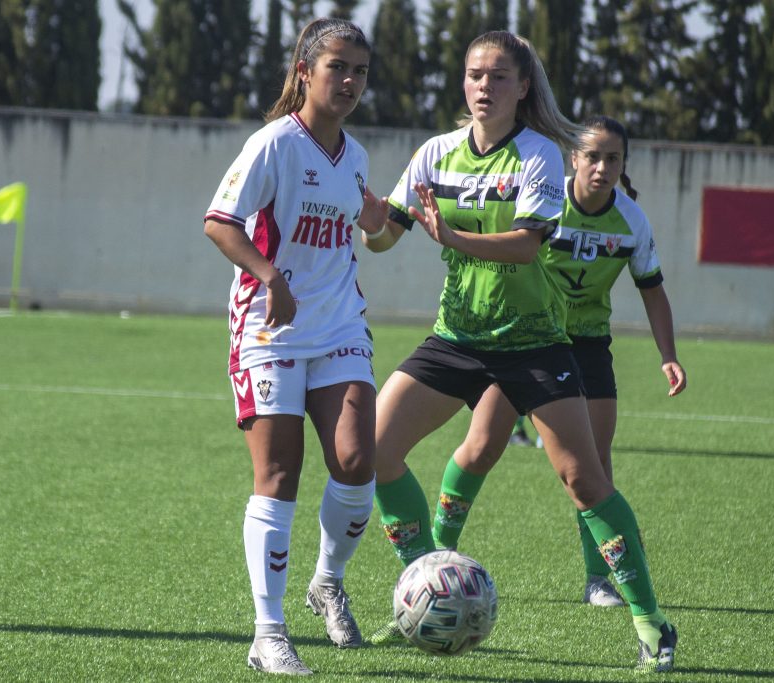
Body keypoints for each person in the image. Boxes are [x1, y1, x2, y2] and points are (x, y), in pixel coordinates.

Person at [359, 31, 678, 673]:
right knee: (372, 450)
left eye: (499, 77)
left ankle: (652, 624)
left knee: (584, 481)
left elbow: (529, 246)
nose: (484, 86)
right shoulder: (435, 153)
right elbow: (383, 238)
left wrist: (449, 234)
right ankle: (425, 590)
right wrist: (345, 187)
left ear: (523, 87)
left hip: (533, 345)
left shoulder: (537, 155)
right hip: (456, 337)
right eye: (475, 75)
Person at [428, 115, 687, 614]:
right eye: (593, 156)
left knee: (594, 467)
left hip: (587, 347)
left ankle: (598, 580)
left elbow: (653, 292)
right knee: (481, 447)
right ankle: (436, 555)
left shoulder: (631, 220)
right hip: (529, 339)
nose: (602, 167)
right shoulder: (547, 201)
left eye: (613, 158)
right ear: (574, 159)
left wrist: (668, 356)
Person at [202, 17, 389, 676]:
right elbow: (218, 223)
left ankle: (327, 581)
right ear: (305, 71)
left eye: (360, 71)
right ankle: (269, 631)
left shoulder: (356, 156)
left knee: (358, 459)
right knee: (279, 476)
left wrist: (409, 218)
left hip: (338, 326)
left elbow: (372, 223)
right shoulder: (273, 144)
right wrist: (270, 275)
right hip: (270, 329)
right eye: (337, 66)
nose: (349, 81)